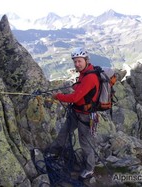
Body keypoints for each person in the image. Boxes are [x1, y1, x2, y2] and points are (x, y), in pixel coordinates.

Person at [50, 47, 100, 179]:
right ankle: (54, 153)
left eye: (79, 61)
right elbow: (80, 91)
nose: (77, 64)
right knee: (64, 132)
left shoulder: (90, 77)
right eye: (75, 62)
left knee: (85, 142)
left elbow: (74, 98)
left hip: (86, 115)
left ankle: (89, 169)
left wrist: (58, 96)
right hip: (76, 111)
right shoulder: (84, 73)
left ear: (86, 60)